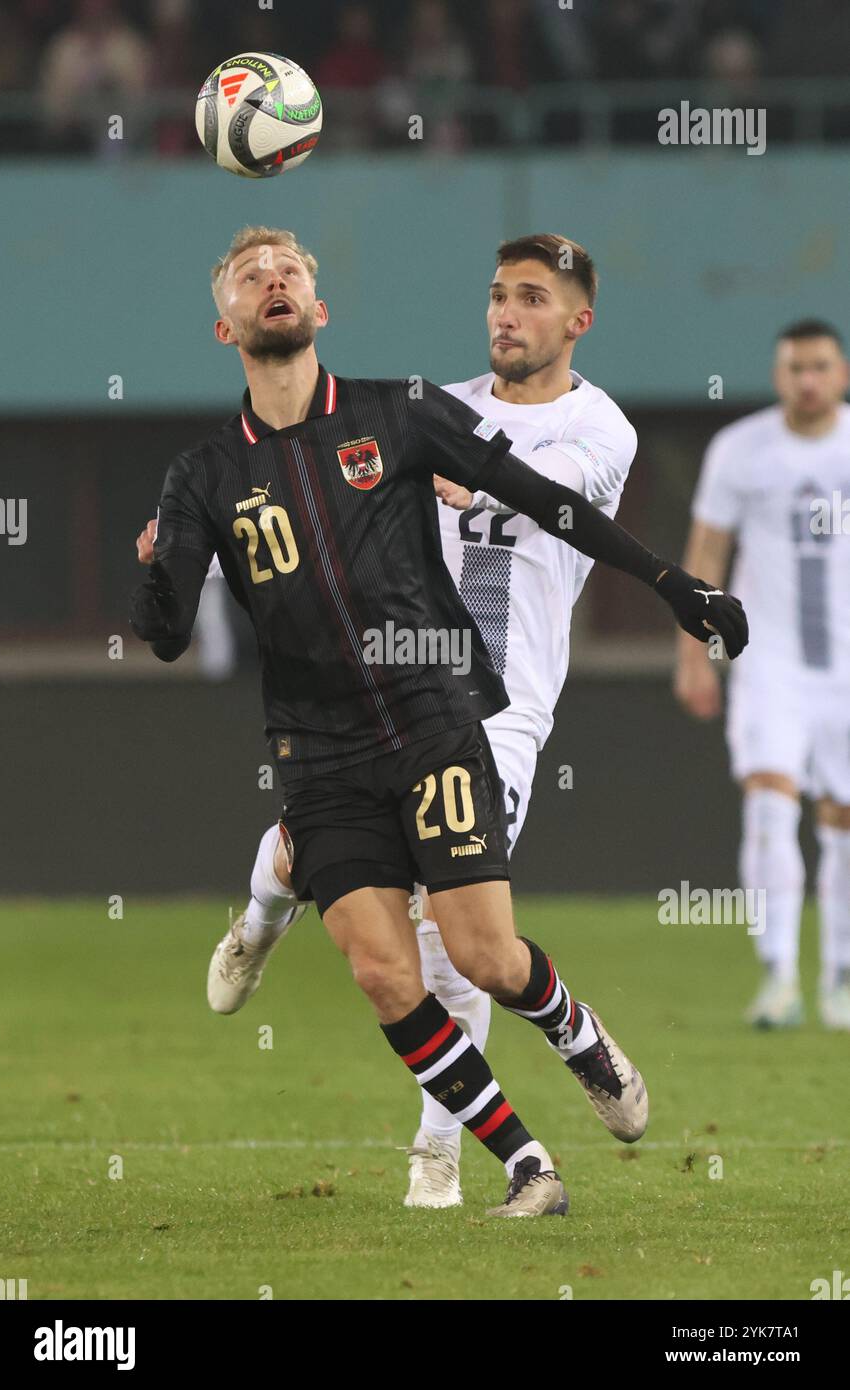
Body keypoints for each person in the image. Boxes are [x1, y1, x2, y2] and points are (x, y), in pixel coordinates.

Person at [130, 224, 748, 1216]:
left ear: (576, 320)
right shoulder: (292, 445)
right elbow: (168, 620)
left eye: (532, 297)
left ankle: (478, 1103)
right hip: (333, 726)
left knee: (470, 947)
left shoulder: (579, 428)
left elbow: (539, 501)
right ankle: (472, 1144)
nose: (506, 311)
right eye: (499, 293)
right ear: (224, 321)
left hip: (473, 703)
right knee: (370, 934)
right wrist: (155, 570)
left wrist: (674, 585)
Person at [675, 319, 850, 1030]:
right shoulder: (740, 449)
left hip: (844, 669)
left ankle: (838, 978)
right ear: (779, 376)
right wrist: (696, 655)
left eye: (819, 367)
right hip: (769, 662)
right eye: (794, 368)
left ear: (840, 373)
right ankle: (779, 975)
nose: (807, 380)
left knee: (840, 823)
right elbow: (706, 555)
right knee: (771, 803)